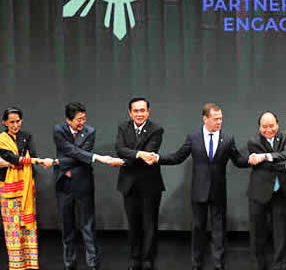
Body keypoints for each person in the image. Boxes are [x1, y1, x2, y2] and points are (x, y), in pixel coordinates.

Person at [152, 103, 252, 270]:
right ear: (205, 118)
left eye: (221, 118)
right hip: (199, 190)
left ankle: (218, 264)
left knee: (219, 229)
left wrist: (251, 160)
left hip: (218, 190)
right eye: (215, 119)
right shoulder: (194, 137)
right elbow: (178, 157)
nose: (219, 122)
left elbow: (238, 160)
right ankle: (196, 263)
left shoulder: (227, 138)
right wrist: (158, 158)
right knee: (198, 228)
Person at [53, 102, 123, 270]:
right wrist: (97, 157)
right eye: (78, 119)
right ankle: (69, 263)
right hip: (64, 183)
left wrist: (58, 161)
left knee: (88, 226)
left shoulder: (89, 132)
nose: (82, 122)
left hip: (83, 183)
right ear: (68, 120)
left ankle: (93, 263)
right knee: (67, 227)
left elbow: (78, 156)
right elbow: (73, 152)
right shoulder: (59, 130)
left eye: (84, 118)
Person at [0, 107, 54, 270]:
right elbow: (12, 157)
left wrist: (12, 162)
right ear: (5, 123)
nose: (16, 125)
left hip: (26, 187)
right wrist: (30, 161)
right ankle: (16, 265)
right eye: (12, 122)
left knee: (28, 226)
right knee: (13, 229)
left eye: (18, 122)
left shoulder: (27, 136)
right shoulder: (1, 139)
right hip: (7, 189)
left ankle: (31, 264)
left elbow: (29, 155)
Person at [115, 97, 165, 270]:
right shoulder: (123, 127)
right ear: (130, 112)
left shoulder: (156, 129)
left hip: (150, 184)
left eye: (142, 110)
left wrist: (130, 156)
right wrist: (138, 154)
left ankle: (147, 259)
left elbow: (150, 153)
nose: (139, 114)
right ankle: (135, 258)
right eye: (135, 111)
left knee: (149, 223)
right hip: (128, 183)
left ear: (148, 112)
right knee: (133, 223)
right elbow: (119, 149)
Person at [247, 111, 286, 270]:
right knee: (257, 232)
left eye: (271, 126)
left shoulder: (285, 136)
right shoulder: (253, 141)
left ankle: (279, 265)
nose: (268, 129)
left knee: (281, 232)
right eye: (264, 127)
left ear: (277, 124)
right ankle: (259, 264)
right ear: (259, 127)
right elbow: (271, 164)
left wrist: (265, 156)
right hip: (259, 192)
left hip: (281, 192)